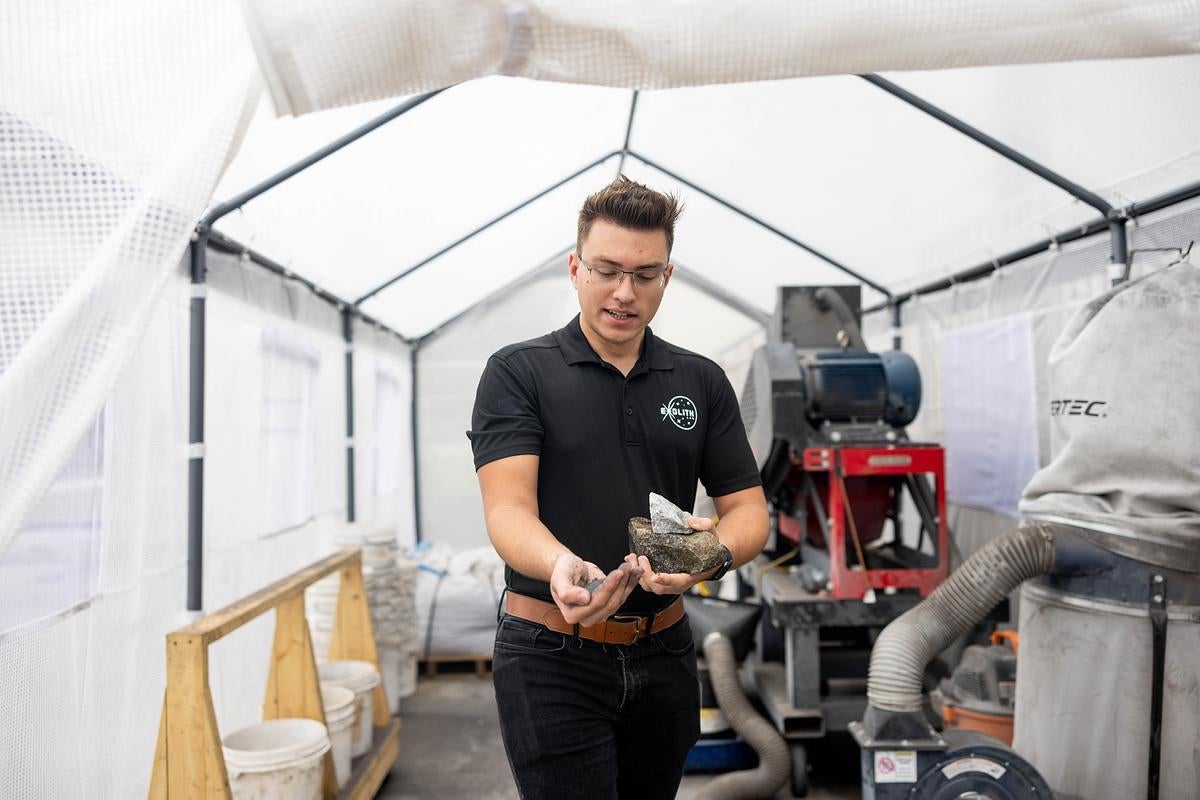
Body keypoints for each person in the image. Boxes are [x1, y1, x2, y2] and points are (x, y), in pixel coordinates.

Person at [468, 175, 769, 800]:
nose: (624, 292)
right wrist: (559, 564)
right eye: (607, 270)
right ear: (575, 268)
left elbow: (747, 514)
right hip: (551, 650)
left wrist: (706, 558)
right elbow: (508, 510)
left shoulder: (700, 380)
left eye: (645, 274)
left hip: (664, 647)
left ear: (667, 276)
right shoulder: (519, 372)